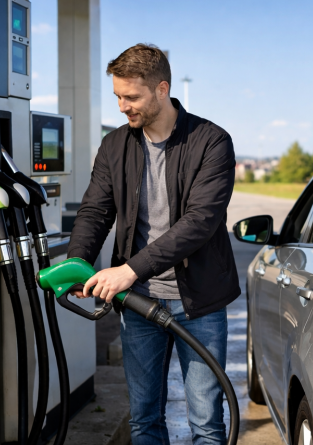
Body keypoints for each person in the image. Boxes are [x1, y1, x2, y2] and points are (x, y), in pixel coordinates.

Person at [66, 43, 241, 445]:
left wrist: (127, 271)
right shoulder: (115, 145)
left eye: (132, 97)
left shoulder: (211, 142)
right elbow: (95, 211)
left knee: (206, 423)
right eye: (117, 97)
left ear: (162, 90)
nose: (123, 107)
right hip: (138, 303)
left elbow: (198, 223)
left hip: (198, 302)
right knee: (145, 419)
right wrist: (79, 261)